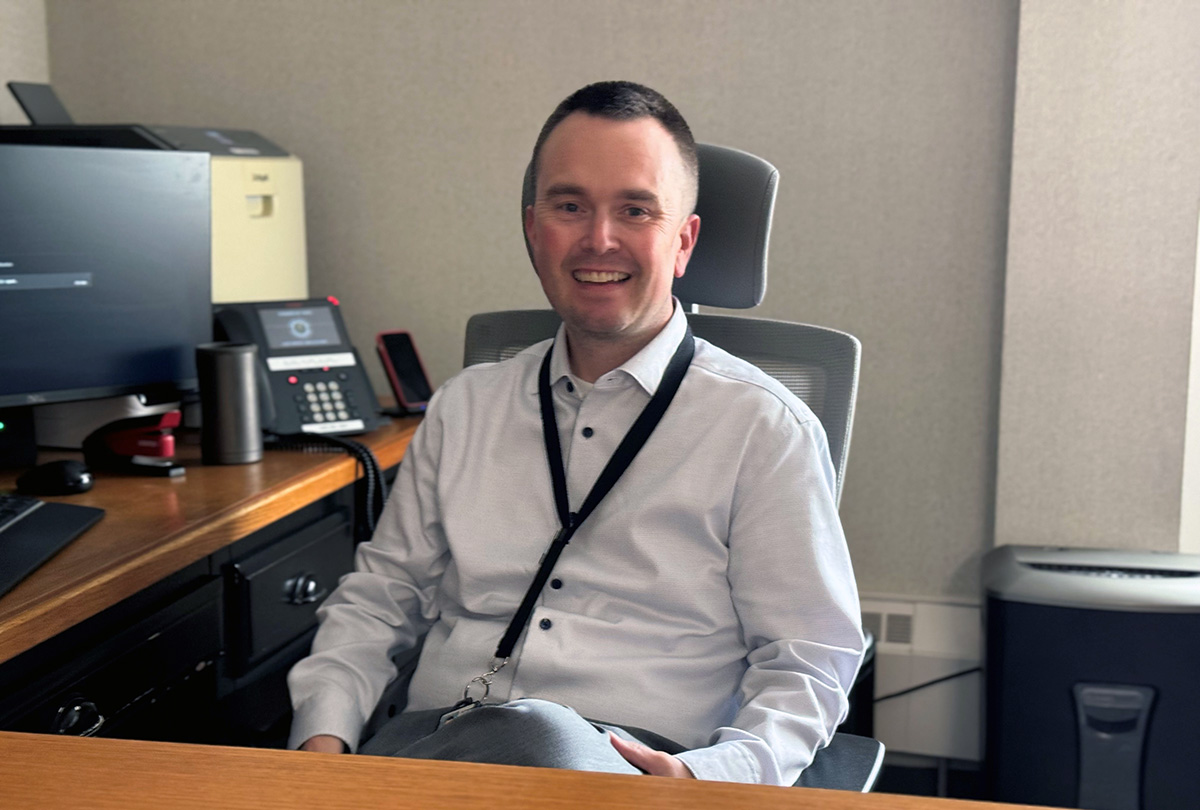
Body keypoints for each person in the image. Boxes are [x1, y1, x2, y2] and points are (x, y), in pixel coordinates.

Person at [287, 80, 864, 786]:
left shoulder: (764, 429)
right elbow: (381, 599)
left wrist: (711, 779)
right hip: (438, 753)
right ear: (534, 229)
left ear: (682, 240)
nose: (599, 239)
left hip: (634, 772)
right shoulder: (465, 406)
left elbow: (809, 660)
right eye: (570, 206)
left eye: (635, 209)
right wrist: (321, 745)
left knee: (545, 740)